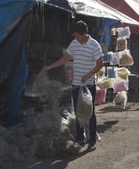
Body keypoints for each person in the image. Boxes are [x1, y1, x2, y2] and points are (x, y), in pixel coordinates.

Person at [44, 20, 103, 151]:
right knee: (78, 111)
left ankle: (92, 138)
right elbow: (65, 58)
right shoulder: (74, 43)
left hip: (89, 84)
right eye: (74, 36)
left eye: (77, 35)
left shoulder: (94, 45)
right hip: (76, 84)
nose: (75, 38)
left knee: (90, 112)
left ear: (84, 33)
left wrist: (88, 75)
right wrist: (51, 66)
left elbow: (100, 63)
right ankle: (80, 137)